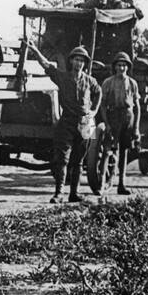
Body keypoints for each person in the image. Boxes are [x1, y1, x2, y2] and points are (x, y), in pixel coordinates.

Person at [32, 45, 102, 204]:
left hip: (86, 122)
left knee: (79, 161)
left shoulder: (90, 81)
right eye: (76, 60)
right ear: (71, 61)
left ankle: (74, 194)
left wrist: (94, 111)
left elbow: (99, 92)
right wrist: (35, 50)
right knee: (62, 159)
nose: (79, 63)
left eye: (82, 61)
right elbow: (46, 65)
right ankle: (59, 193)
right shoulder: (62, 77)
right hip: (67, 121)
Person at [100, 51, 141, 195]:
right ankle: (102, 183)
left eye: (124, 65)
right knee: (108, 149)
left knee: (124, 151)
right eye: (119, 65)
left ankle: (121, 184)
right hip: (113, 116)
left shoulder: (132, 83)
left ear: (127, 67)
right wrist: (107, 123)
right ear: (115, 67)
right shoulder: (108, 83)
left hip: (128, 116)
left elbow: (137, 107)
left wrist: (136, 127)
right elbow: (103, 105)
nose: (121, 68)